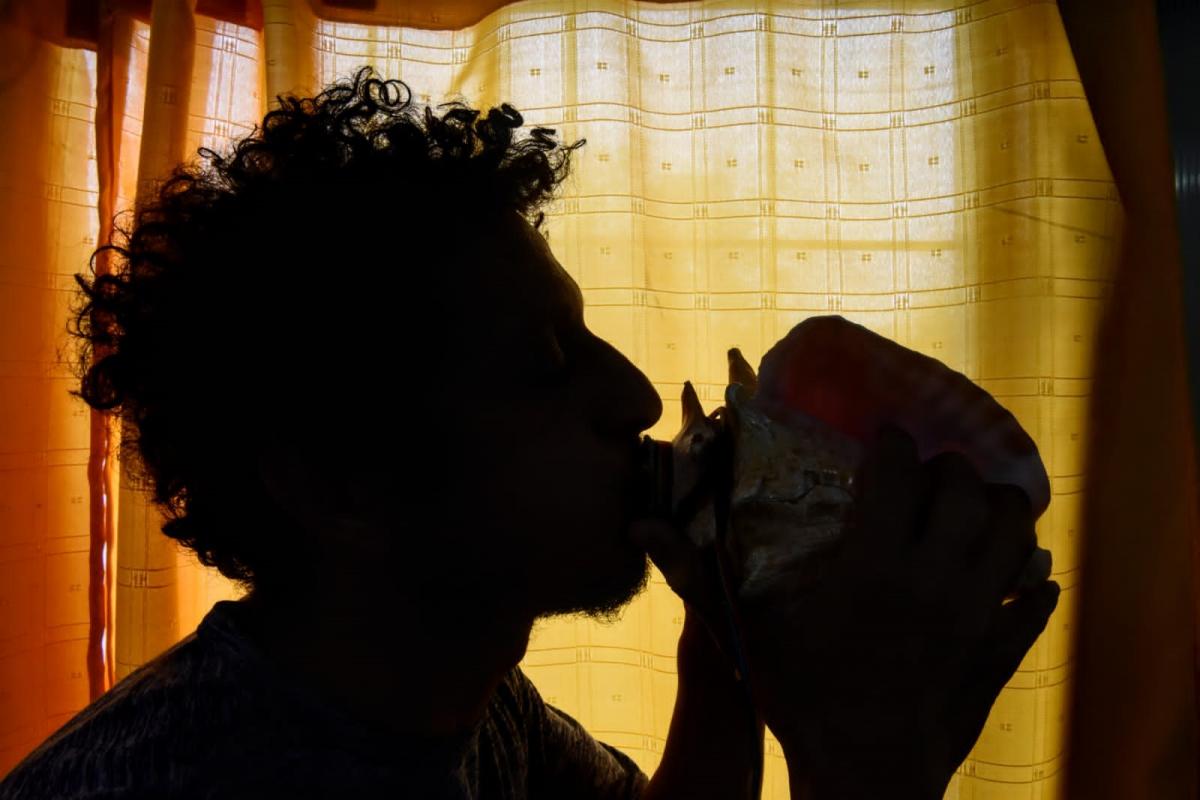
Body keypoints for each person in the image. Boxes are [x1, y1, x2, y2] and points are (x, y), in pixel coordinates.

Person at [0, 67, 1059, 799]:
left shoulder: (449, 691)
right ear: (339, 485)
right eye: (543, 367)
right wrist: (866, 775)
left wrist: (730, 650)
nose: (640, 398)